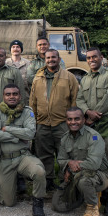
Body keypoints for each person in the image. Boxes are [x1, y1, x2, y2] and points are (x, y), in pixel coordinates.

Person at [0, 84, 47, 216]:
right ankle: (11, 183)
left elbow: (30, 133)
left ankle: (38, 205)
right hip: (4, 159)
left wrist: (7, 128)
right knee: (8, 202)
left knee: (39, 172)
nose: (11, 97)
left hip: (22, 156)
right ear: (3, 97)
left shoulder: (27, 112)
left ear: (20, 96)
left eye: (15, 94)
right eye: (8, 94)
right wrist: (16, 137)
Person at [76, 47, 108, 216]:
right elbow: (79, 99)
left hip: (107, 123)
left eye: (94, 57)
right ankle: (93, 193)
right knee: (91, 159)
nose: (91, 60)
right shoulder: (85, 79)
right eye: (88, 58)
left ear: (101, 57)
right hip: (90, 125)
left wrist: (93, 115)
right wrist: (87, 112)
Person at [29, 49, 79, 191]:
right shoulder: (38, 77)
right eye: (48, 57)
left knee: (64, 153)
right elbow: (33, 101)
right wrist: (34, 121)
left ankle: (66, 181)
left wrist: (73, 121)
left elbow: (75, 99)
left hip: (62, 123)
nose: (51, 60)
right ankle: (48, 181)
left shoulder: (69, 77)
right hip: (42, 123)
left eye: (53, 57)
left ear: (58, 59)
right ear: (45, 59)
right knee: (44, 154)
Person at [52, 107, 108, 216]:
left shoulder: (94, 136)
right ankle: (85, 195)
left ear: (84, 120)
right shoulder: (65, 138)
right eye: (70, 119)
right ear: (66, 121)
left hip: (98, 175)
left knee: (84, 181)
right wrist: (69, 163)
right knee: (58, 206)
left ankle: (92, 208)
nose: (73, 122)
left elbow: (93, 163)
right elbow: (61, 159)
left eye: (77, 119)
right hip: (77, 175)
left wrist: (71, 169)